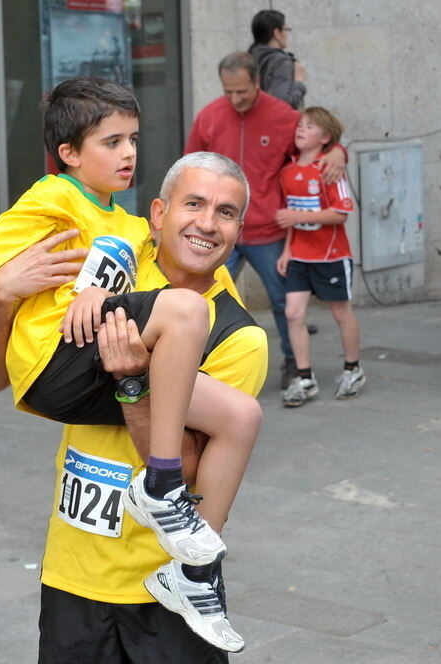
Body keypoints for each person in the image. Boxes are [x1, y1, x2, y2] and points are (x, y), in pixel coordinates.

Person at [0, 78, 261, 573]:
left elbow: (117, 271)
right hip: (58, 365)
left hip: (91, 382)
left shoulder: (127, 225)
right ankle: (164, 486)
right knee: (183, 309)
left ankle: (196, 569)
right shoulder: (58, 196)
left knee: (241, 417)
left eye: (132, 139)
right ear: (68, 152)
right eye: (112, 142)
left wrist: (102, 294)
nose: (128, 153)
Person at [0, 153, 266, 659]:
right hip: (72, 576)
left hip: (158, 596)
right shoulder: (112, 264)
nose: (206, 223)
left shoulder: (238, 337)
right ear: (157, 213)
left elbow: (193, 469)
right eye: (193, 204)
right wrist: (0, 295)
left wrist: (133, 384)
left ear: (239, 230)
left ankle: (196, 575)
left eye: (226, 212)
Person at [185, 52, 345, 389]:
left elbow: (319, 141)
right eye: (228, 92)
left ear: (257, 82)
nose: (235, 99)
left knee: (282, 301)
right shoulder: (209, 117)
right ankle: (196, 367)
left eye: (242, 91)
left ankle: (293, 364)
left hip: (266, 230)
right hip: (216, 229)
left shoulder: (284, 117)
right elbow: (190, 165)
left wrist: (338, 153)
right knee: (196, 298)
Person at [274, 107, 362, 406]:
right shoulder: (287, 171)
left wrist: (298, 214)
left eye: (309, 126)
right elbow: (291, 221)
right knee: (293, 313)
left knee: (340, 313)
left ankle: (353, 369)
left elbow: (342, 213)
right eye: (300, 124)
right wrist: (287, 250)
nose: (300, 129)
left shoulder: (330, 168)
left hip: (331, 256)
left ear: (325, 137)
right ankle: (304, 377)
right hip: (299, 255)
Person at [248, 9, 306, 109]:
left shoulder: (247, 58)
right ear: (277, 33)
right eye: (286, 30)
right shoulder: (281, 62)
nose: (287, 34)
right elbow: (282, 107)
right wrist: (298, 81)